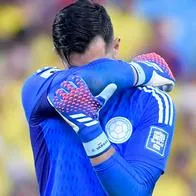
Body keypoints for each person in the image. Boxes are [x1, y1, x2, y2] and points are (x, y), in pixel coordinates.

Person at [21, 0, 176, 195]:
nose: (90, 88)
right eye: (78, 68)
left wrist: (90, 130)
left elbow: (135, 192)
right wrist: (141, 70)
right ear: (59, 57)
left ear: (117, 46)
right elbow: (91, 78)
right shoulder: (40, 89)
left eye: (100, 64)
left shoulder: (151, 101)